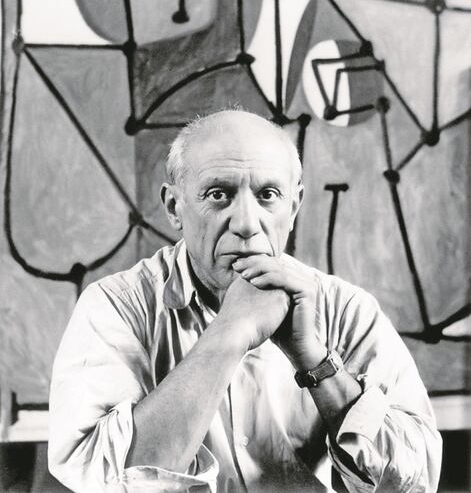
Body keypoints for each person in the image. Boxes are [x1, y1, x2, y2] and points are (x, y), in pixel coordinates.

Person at [48, 110, 441, 493]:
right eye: (219, 195)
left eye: (268, 195)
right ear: (174, 207)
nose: (247, 223)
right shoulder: (115, 307)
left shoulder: (348, 310)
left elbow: (413, 481)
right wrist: (229, 333)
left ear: (293, 206)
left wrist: (315, 361)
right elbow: (100, 477)